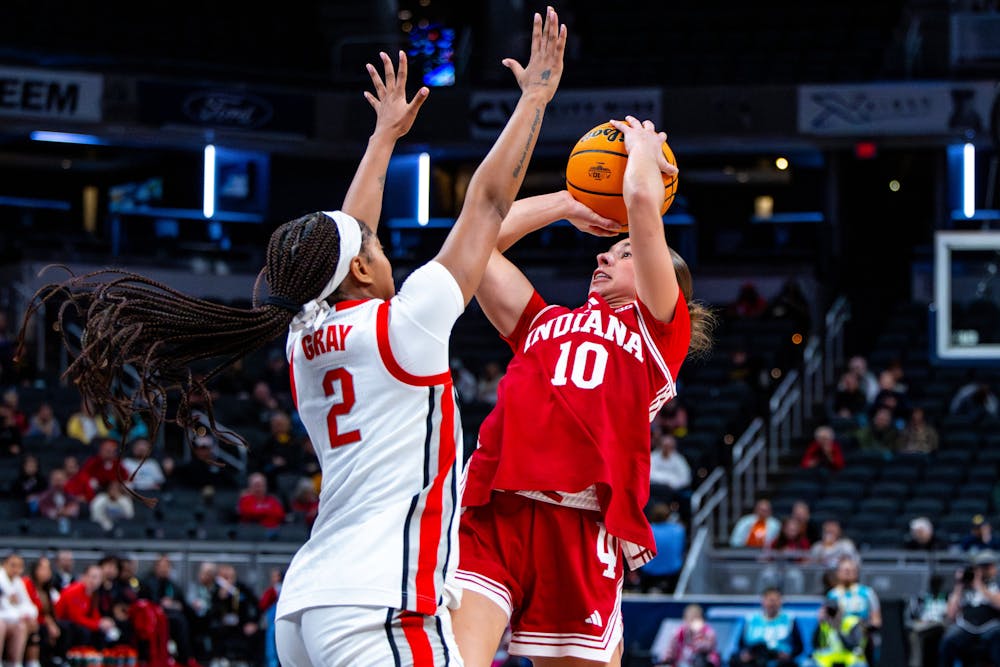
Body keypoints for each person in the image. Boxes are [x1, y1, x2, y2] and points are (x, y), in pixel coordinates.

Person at [273, 17, 567, 666]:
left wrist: (383, 140)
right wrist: (534, 103)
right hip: (381, 605)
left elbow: (350, 233)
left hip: (306, 606)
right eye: (375, 248)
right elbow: (487, 206)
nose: (382, 249)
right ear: (357, 270)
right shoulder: (404, 326)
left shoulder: (305, 336)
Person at [453, 105, 710, 664]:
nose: (604, 253)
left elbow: (642, 204)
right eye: (609, 248)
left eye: (623, 254)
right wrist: (570, 204)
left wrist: (643, 152)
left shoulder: (659, 333)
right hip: (498, 506)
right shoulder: (543, 322)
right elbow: (477, 245)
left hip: (581, 521)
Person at [938, 550, 1000, 666]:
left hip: (991, 627)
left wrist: (980, 586)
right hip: (966, 627)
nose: (984, 570)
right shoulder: (965, 586)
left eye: (988, 566)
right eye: (982, 567)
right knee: (948, 640)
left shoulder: (996, 584)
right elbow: (950, 615)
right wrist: (959, 585)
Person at [827, 557, 881, 664]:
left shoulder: (867, 593)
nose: (847, 573)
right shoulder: (833, 595)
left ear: (856, 573)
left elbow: (877, 621)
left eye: (851, 570)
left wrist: (862, 629)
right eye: (845, 570)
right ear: (838, 573)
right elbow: (828, 622)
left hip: (862, 640)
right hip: (838, 640)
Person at [730, 588, 803, 667]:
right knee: (735, 660)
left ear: (780, 602)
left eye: (775, 600)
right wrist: (745, 654)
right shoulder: (751, 619)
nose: (772, 604)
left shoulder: (790, 619)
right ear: (763, 601)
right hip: (755, 657)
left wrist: (789, 655)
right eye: (770, 600)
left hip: (779, 659)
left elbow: (799, 647)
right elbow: (741, 644)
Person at [54, 564, 116, 648]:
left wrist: (103, 623)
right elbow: (75, 618)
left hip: (76, 623)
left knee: (102, 631)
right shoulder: (74, 591)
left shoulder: (94, 594)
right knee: (83, 631)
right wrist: (98, 624)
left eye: (98, 578)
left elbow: (95, 614)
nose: (94, 581)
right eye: (93, 577)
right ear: (84, 577)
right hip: (62, 622)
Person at [24, 556, 64, 666]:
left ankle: (58, 658)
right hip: (30, 619)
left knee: (63, 626)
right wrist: (48, 623)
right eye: (43, 568)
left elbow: (49, 612)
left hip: (42, 620)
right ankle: (35, 661)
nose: (47, 572)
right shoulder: (27, 584)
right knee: (43, 629)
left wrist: (51, 623)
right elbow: (31, 609)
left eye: (48, 569)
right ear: (35, 570)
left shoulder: (48, 589)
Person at [637, 504, 686, 593]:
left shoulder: (646, 530)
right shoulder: (679, 529)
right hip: (672, 572)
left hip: (649, 572)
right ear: (668, 516)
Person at [0, 553, 37, 667]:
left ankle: (15, 663)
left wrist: (24, 614)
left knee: (21, 626)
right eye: (13, 565)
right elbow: (5, 606)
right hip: (2, 619)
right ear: (4, 564)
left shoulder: (18, 582)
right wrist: (19, 612)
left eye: (19, 566)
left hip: (10, 619)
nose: (16, 569)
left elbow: (29, 606)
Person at [812, 598, 868, 667]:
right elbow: (816, 646)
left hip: (850, 661)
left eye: (834, 611)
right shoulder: (825, 624)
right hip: (829, 661)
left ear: (841, 610)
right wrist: (820, 623)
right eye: (829, 611)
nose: (832, 614)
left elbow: (852, 646)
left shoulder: (851, 622)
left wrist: (838, 629)